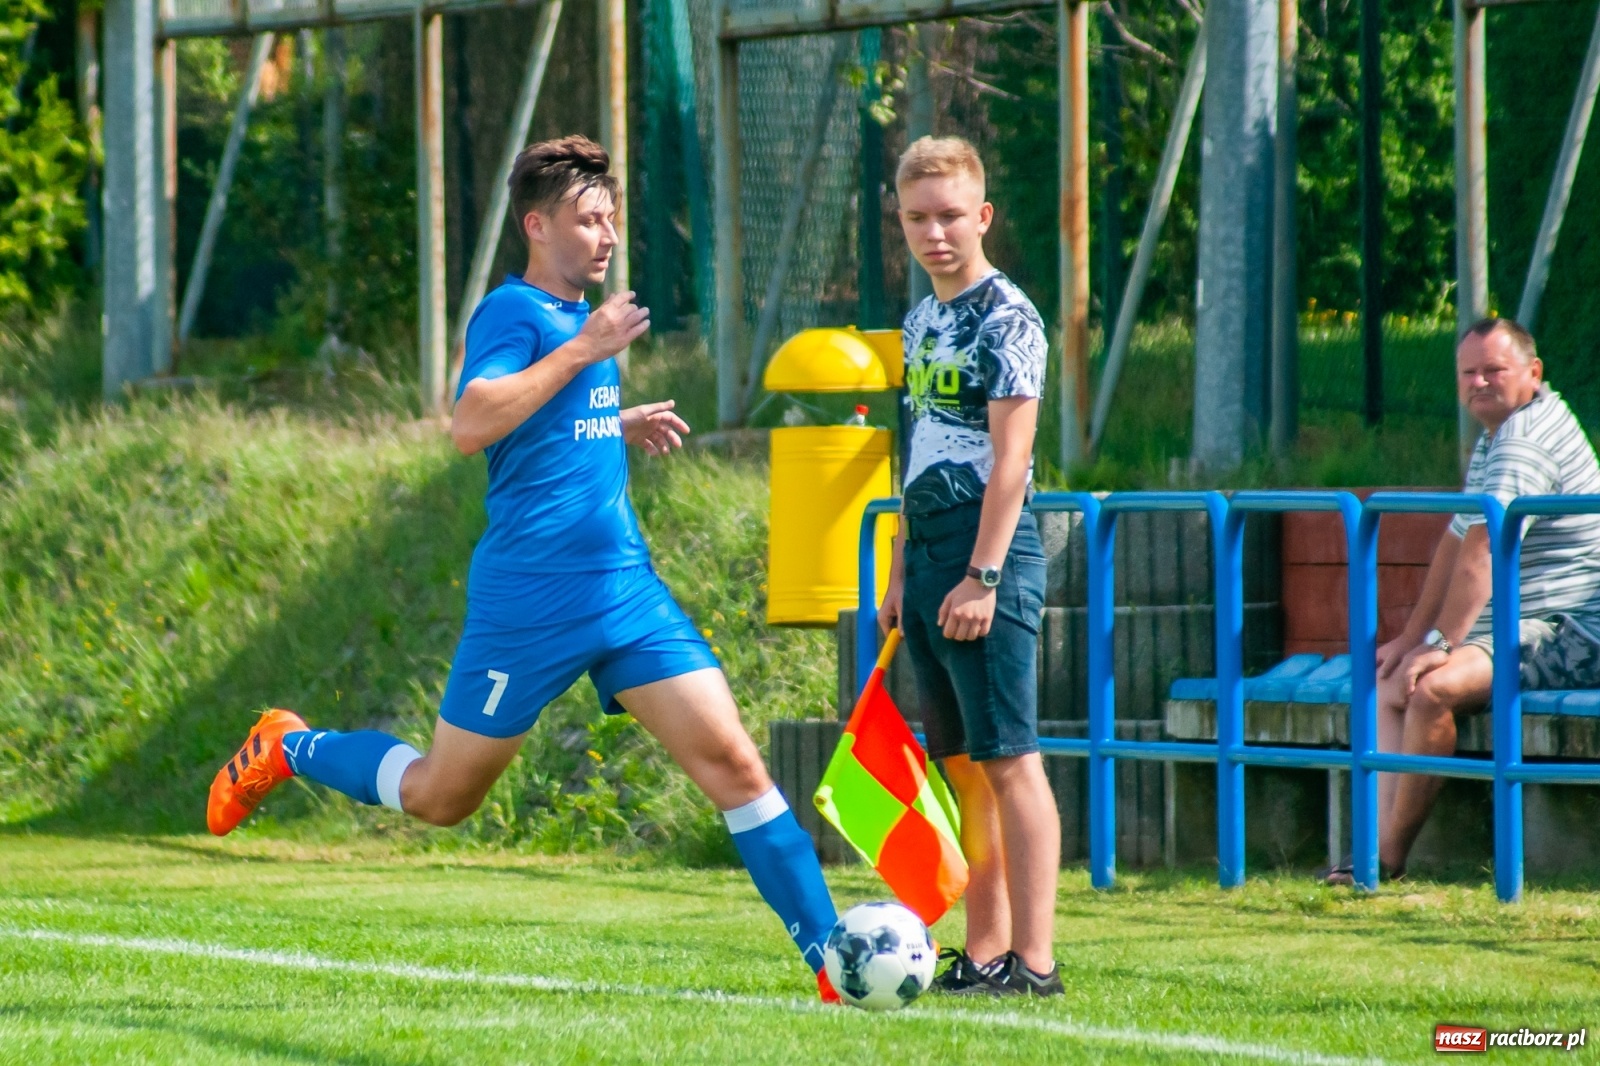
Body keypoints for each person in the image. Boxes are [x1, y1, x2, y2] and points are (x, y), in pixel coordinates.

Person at [206, 135, 840, 999]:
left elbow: (544, 424)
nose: (606, 236)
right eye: (588, 221)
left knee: (735, 765)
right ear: (537, 226)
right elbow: (471, 424)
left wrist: (614, 422)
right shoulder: (515, 313)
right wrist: (586, 352)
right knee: (441, 798)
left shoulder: (584, 321)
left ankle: (833, 963)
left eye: (611, 219)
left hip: (625, 593)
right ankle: (289, 745)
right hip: (529, 602)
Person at [877, 136, 1062, 996]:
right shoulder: (921, 320)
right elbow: (918, 444)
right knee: (962, 767)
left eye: (951, 215)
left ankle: (1037, 962)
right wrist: (899, 571)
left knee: (1011, 758)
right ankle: (985, 952)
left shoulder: (1008, 317)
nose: (935, 233)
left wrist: (983, 578)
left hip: (988, 555)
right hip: (928, 554)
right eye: (918, 217)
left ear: (982, 215)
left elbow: (1012, 461)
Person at [1323, 317, 1600, 885]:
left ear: (1533, 372)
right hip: (1522, 621)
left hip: (1574, 628)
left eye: (1494, 370)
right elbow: (1457, 540)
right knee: (1390, 678)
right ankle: (1371, 848)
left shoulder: (1523, 442)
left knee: (1434, 689)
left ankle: (1387, 858)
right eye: (1468, 373)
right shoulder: (1496, 436)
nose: (1479, 383)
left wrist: (1441, 645)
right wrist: (1412, 639)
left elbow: (1482, 552)